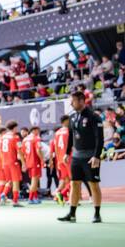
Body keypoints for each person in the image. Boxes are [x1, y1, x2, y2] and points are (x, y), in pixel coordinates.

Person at [58, 90, 104, 224]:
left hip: (90, 157)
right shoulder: (72, 117)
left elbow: (99, 139)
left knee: (93, 185)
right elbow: (71, 137)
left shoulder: (94, 117)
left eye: (74, 101)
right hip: (76, 157)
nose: (71, 103)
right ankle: (72, 214)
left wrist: (97, 156)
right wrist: (67, 153)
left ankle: (97, 214)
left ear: (82, 101)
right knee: (74, 184)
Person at [0, 120, 23, 205]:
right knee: (16, 181)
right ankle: (15, 201)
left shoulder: (3, 137)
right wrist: (23, 163)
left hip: (5, 163)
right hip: (13, 162)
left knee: (10, 181)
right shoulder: (15, 137)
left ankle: (3, 195)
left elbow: (0, 152)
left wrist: (3, 162)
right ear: (15, 128)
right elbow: (19, 151)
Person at [22, 124, 44, 204]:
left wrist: (24, 163)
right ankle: (30, 198)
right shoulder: (36, 138)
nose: (38, 132)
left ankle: (35, 197)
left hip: (29, 162)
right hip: (35, 162)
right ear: (34, 130)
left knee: (33, 181)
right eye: (38, 130)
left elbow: (22, 153)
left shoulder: (25, 139)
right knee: (35, 181)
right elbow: (38, 151)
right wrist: (42, 159)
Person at [52, 118, 71, 205]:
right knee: (74, 179)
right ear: (65, 121)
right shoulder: (69, 131)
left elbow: (55, 147)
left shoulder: (57, 133)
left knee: (66, 179)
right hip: (68, 158)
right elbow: (72, 145)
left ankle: (67, 198)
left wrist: (58, 159)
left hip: (60, 159)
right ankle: (61, 195)